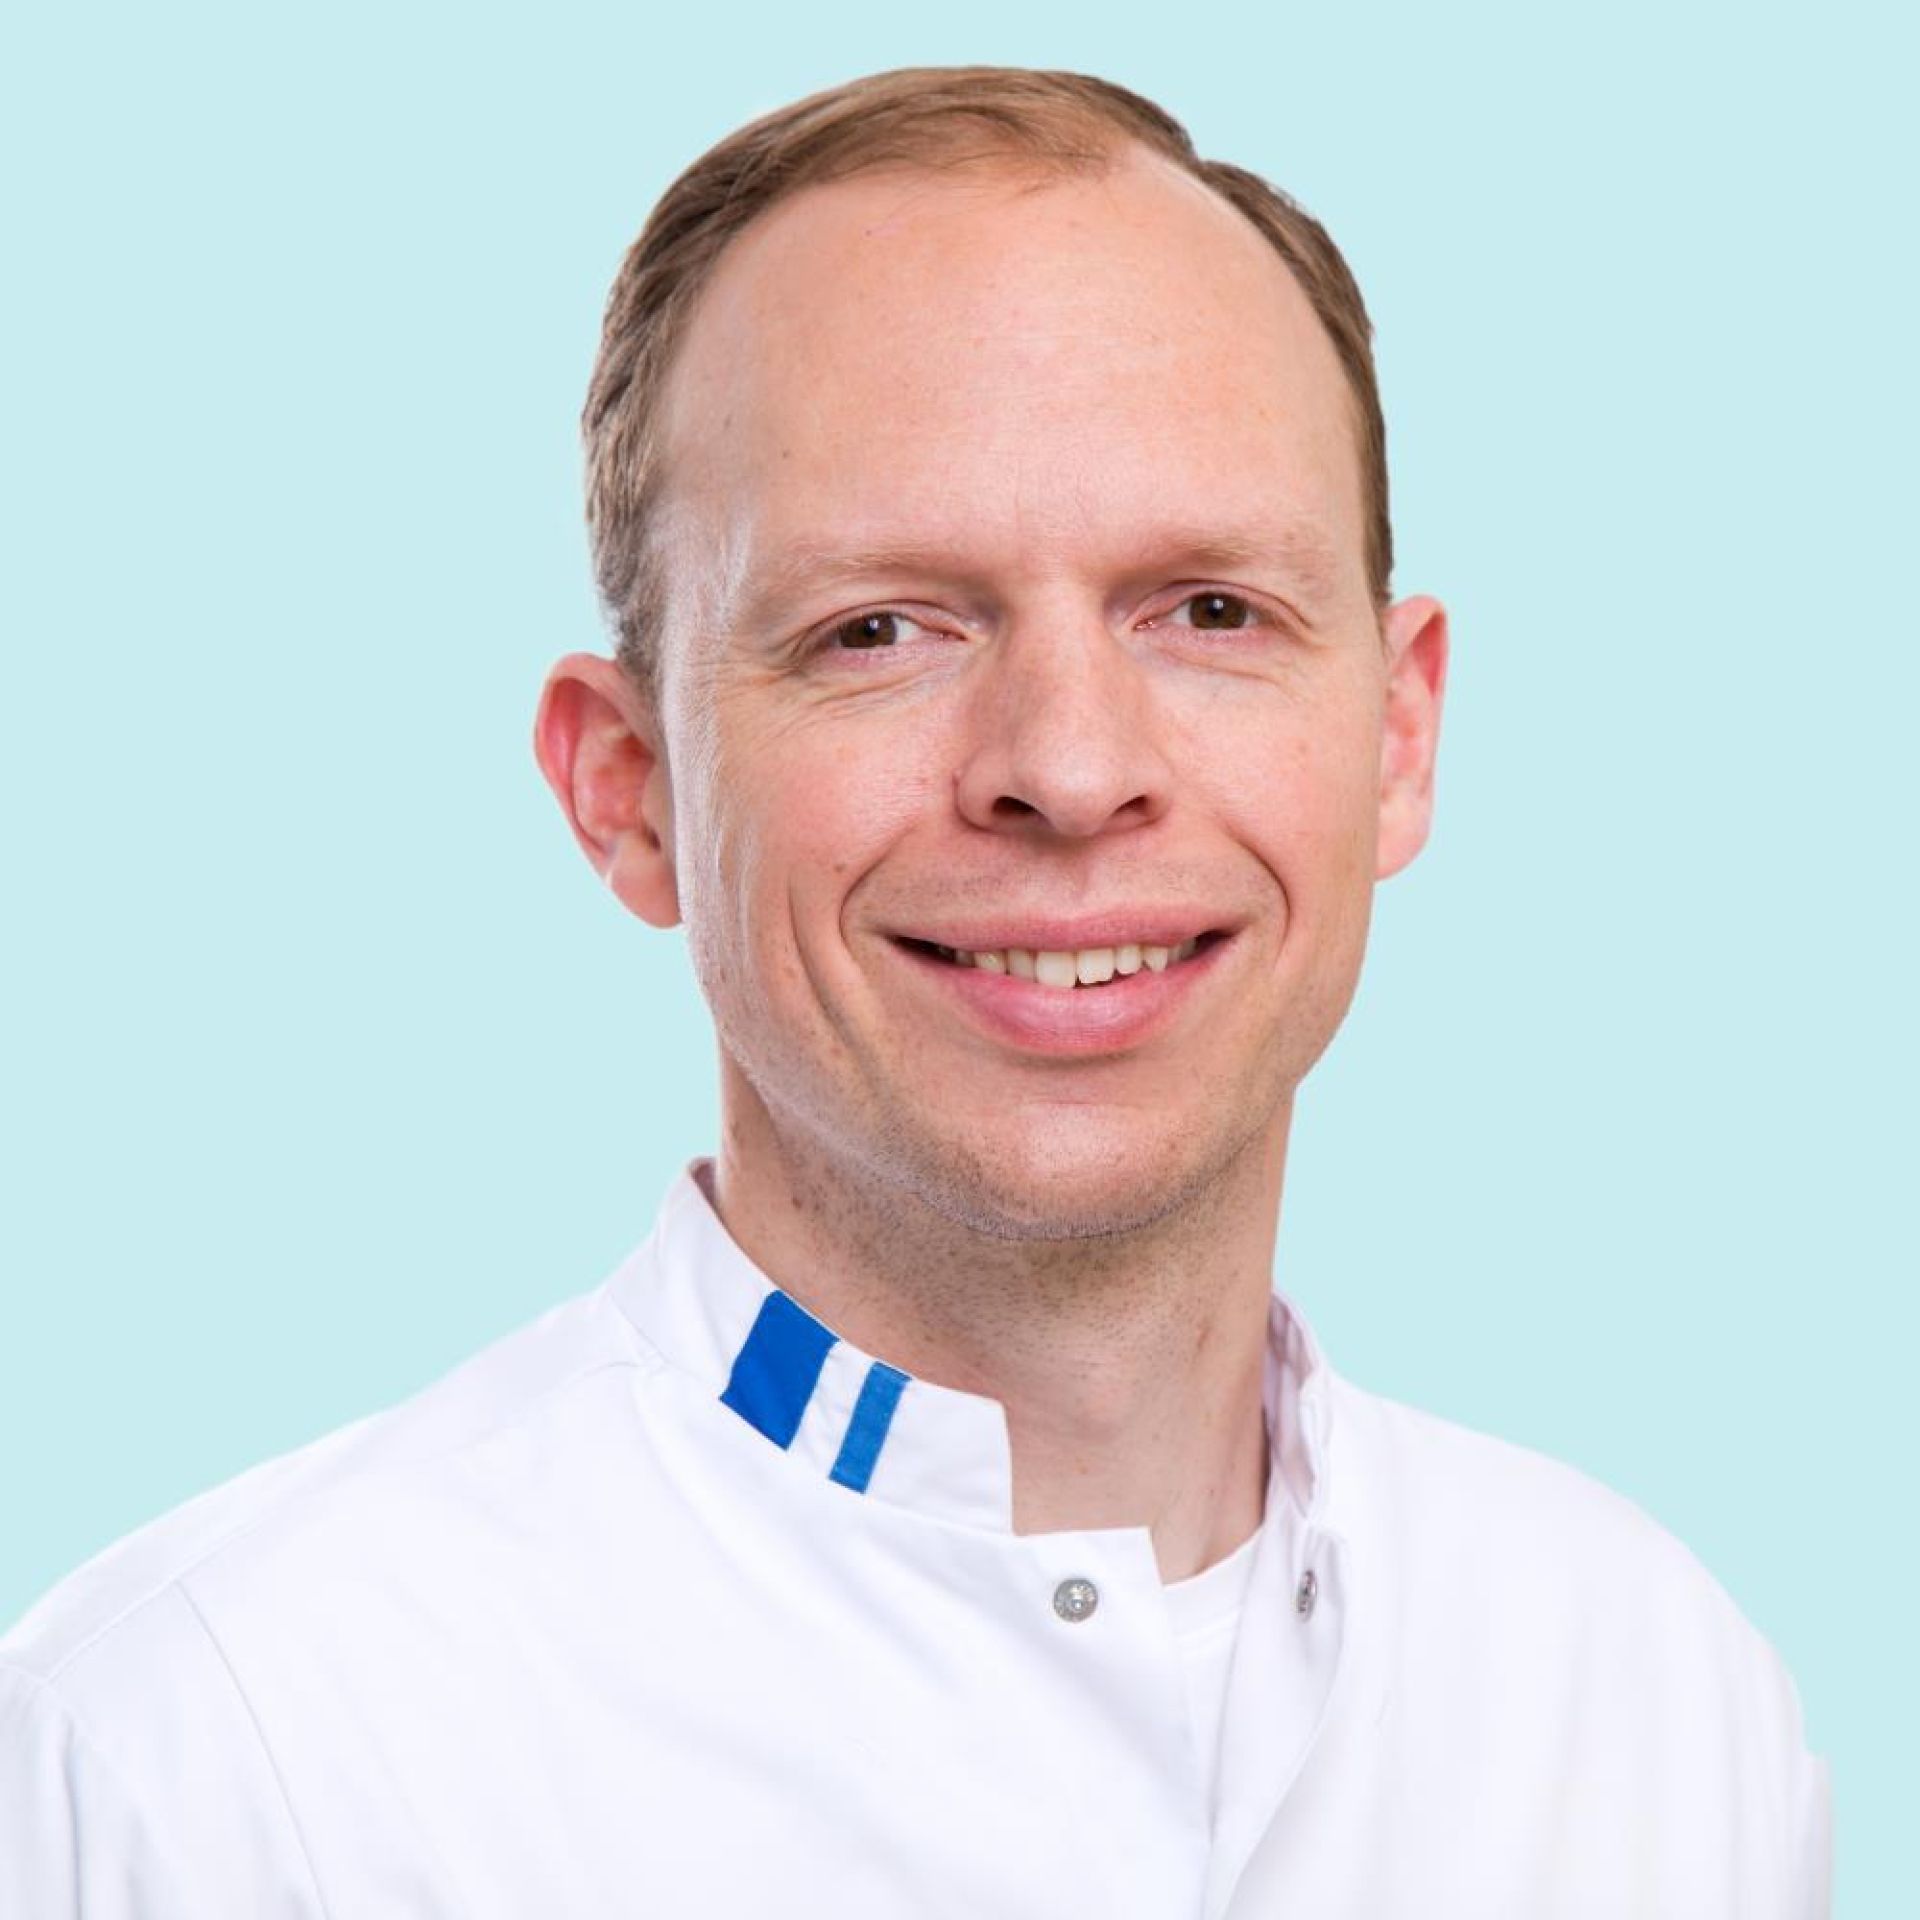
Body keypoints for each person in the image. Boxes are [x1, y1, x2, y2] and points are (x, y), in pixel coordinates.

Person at [0, 64, 1829, 1919]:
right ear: (628, 792)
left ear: (1399, 738)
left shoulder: (1665, 1712)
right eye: (878, 629)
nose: (1072, 768)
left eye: (1209, 610)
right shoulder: (206, 1770)